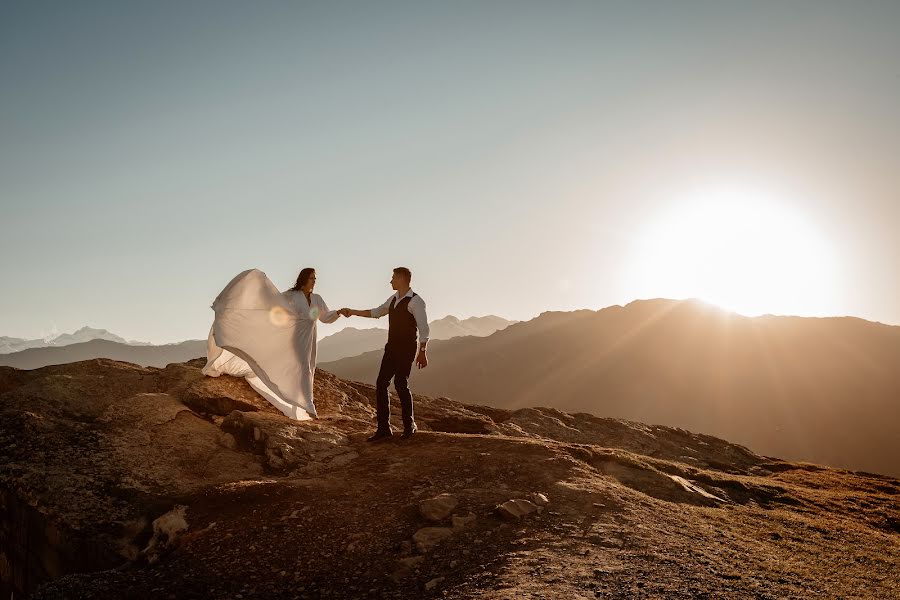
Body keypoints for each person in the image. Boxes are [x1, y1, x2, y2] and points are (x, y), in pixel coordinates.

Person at [202, 267, 342, 419]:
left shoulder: (317, 299)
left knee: (308, 366)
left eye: (315, 278)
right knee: (303, 366)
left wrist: (339, 312)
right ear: (304, 279)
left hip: (310, 337)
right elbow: (271, 303)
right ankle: (308, 405)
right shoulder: (291, 295)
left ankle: (298, 405)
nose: (314, 281)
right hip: (296, 336)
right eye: (311, 278)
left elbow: (326, 317)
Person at [339, 267, 429, 441]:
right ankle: (383, 428)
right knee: (381, 383)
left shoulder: (416, 301)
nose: (391, 281)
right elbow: (376, 312)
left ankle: (410, 425)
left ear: (402, 279)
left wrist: (422, 352)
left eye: (393, 277)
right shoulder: (394, 299)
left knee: (401, 383)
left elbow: (424, 329)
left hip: (407, 348)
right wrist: (352, 312)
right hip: (392, 347)